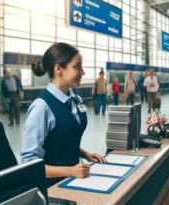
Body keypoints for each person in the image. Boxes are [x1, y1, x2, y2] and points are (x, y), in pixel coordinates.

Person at [20, 42, 107, 187]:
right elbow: (29, 165)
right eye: (77, 67)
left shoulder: (76, 100)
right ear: (58, 68)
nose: (83, 72)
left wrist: (85, 154)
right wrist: (71, 171)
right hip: (51, 190)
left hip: (73, 182)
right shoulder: (42, 107)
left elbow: (61, 140)